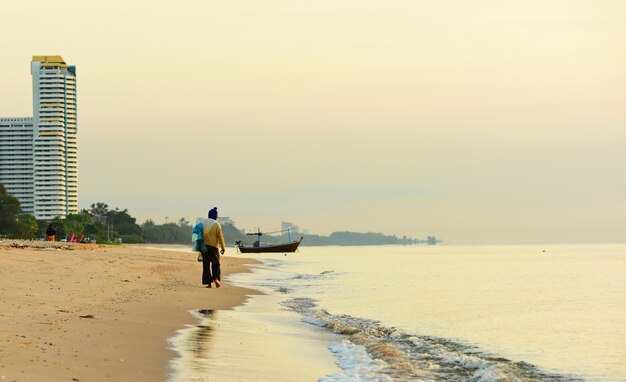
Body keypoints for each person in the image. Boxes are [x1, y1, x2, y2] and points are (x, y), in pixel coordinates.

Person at [201, 207, 226, 288]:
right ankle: (215, 278)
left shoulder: (203, 222)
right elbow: (220, 237)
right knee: (216, 264)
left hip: (204, 247)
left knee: (206, 265)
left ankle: (209, 284)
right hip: (214, 247)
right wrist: (223, 248)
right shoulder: (216, 224)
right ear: (215, 216)